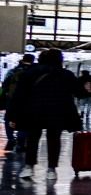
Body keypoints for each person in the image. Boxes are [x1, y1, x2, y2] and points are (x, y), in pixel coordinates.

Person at [11, 49, 82, 181]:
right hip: (57, 112)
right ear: (60, 60)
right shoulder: (66, 74)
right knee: (54, 140)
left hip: (33, 112)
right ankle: (51, 170)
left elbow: (19, 96)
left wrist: (14, 116)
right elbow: (78, 92)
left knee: (32, 139)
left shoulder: (30, 73)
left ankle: (29, 167)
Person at [2, 53, 36, 154]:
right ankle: (21, 141)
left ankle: (11, 139)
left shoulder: (13, 71)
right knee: (26, 120)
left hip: (12, 100)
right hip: (29, 101)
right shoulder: (34, 72)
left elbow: (5, 86)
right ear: (32, 60)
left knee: (8, 119)